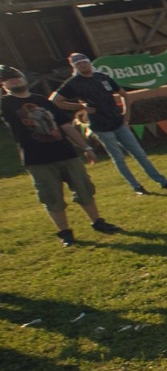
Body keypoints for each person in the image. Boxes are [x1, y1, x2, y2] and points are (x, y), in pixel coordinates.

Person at [1, 64, 121, 247]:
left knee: (84, 189)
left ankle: (98, 222)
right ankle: (65, 233)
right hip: (37, 159)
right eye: (8, 78)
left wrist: (85, 147)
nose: (15, 80)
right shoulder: (5, 104)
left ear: (24, 79)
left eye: (16, 76)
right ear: (4, 85)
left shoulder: (43, 101)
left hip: (66, 154)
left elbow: (65, 126)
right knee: (51, 196)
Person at [50, 53, 167, 195]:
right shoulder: (73, 83)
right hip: (101, 126)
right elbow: (54, 100)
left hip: (118, 121)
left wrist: (126, 116)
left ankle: (162, 181)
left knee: (139, 153)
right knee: (119, 158)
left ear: (89, 63)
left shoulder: (102, 77)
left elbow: (123, 94)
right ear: (75, 67)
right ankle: (136, 186)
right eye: (79, 64)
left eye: (85, 62)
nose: (83, 65)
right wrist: (81, 107)